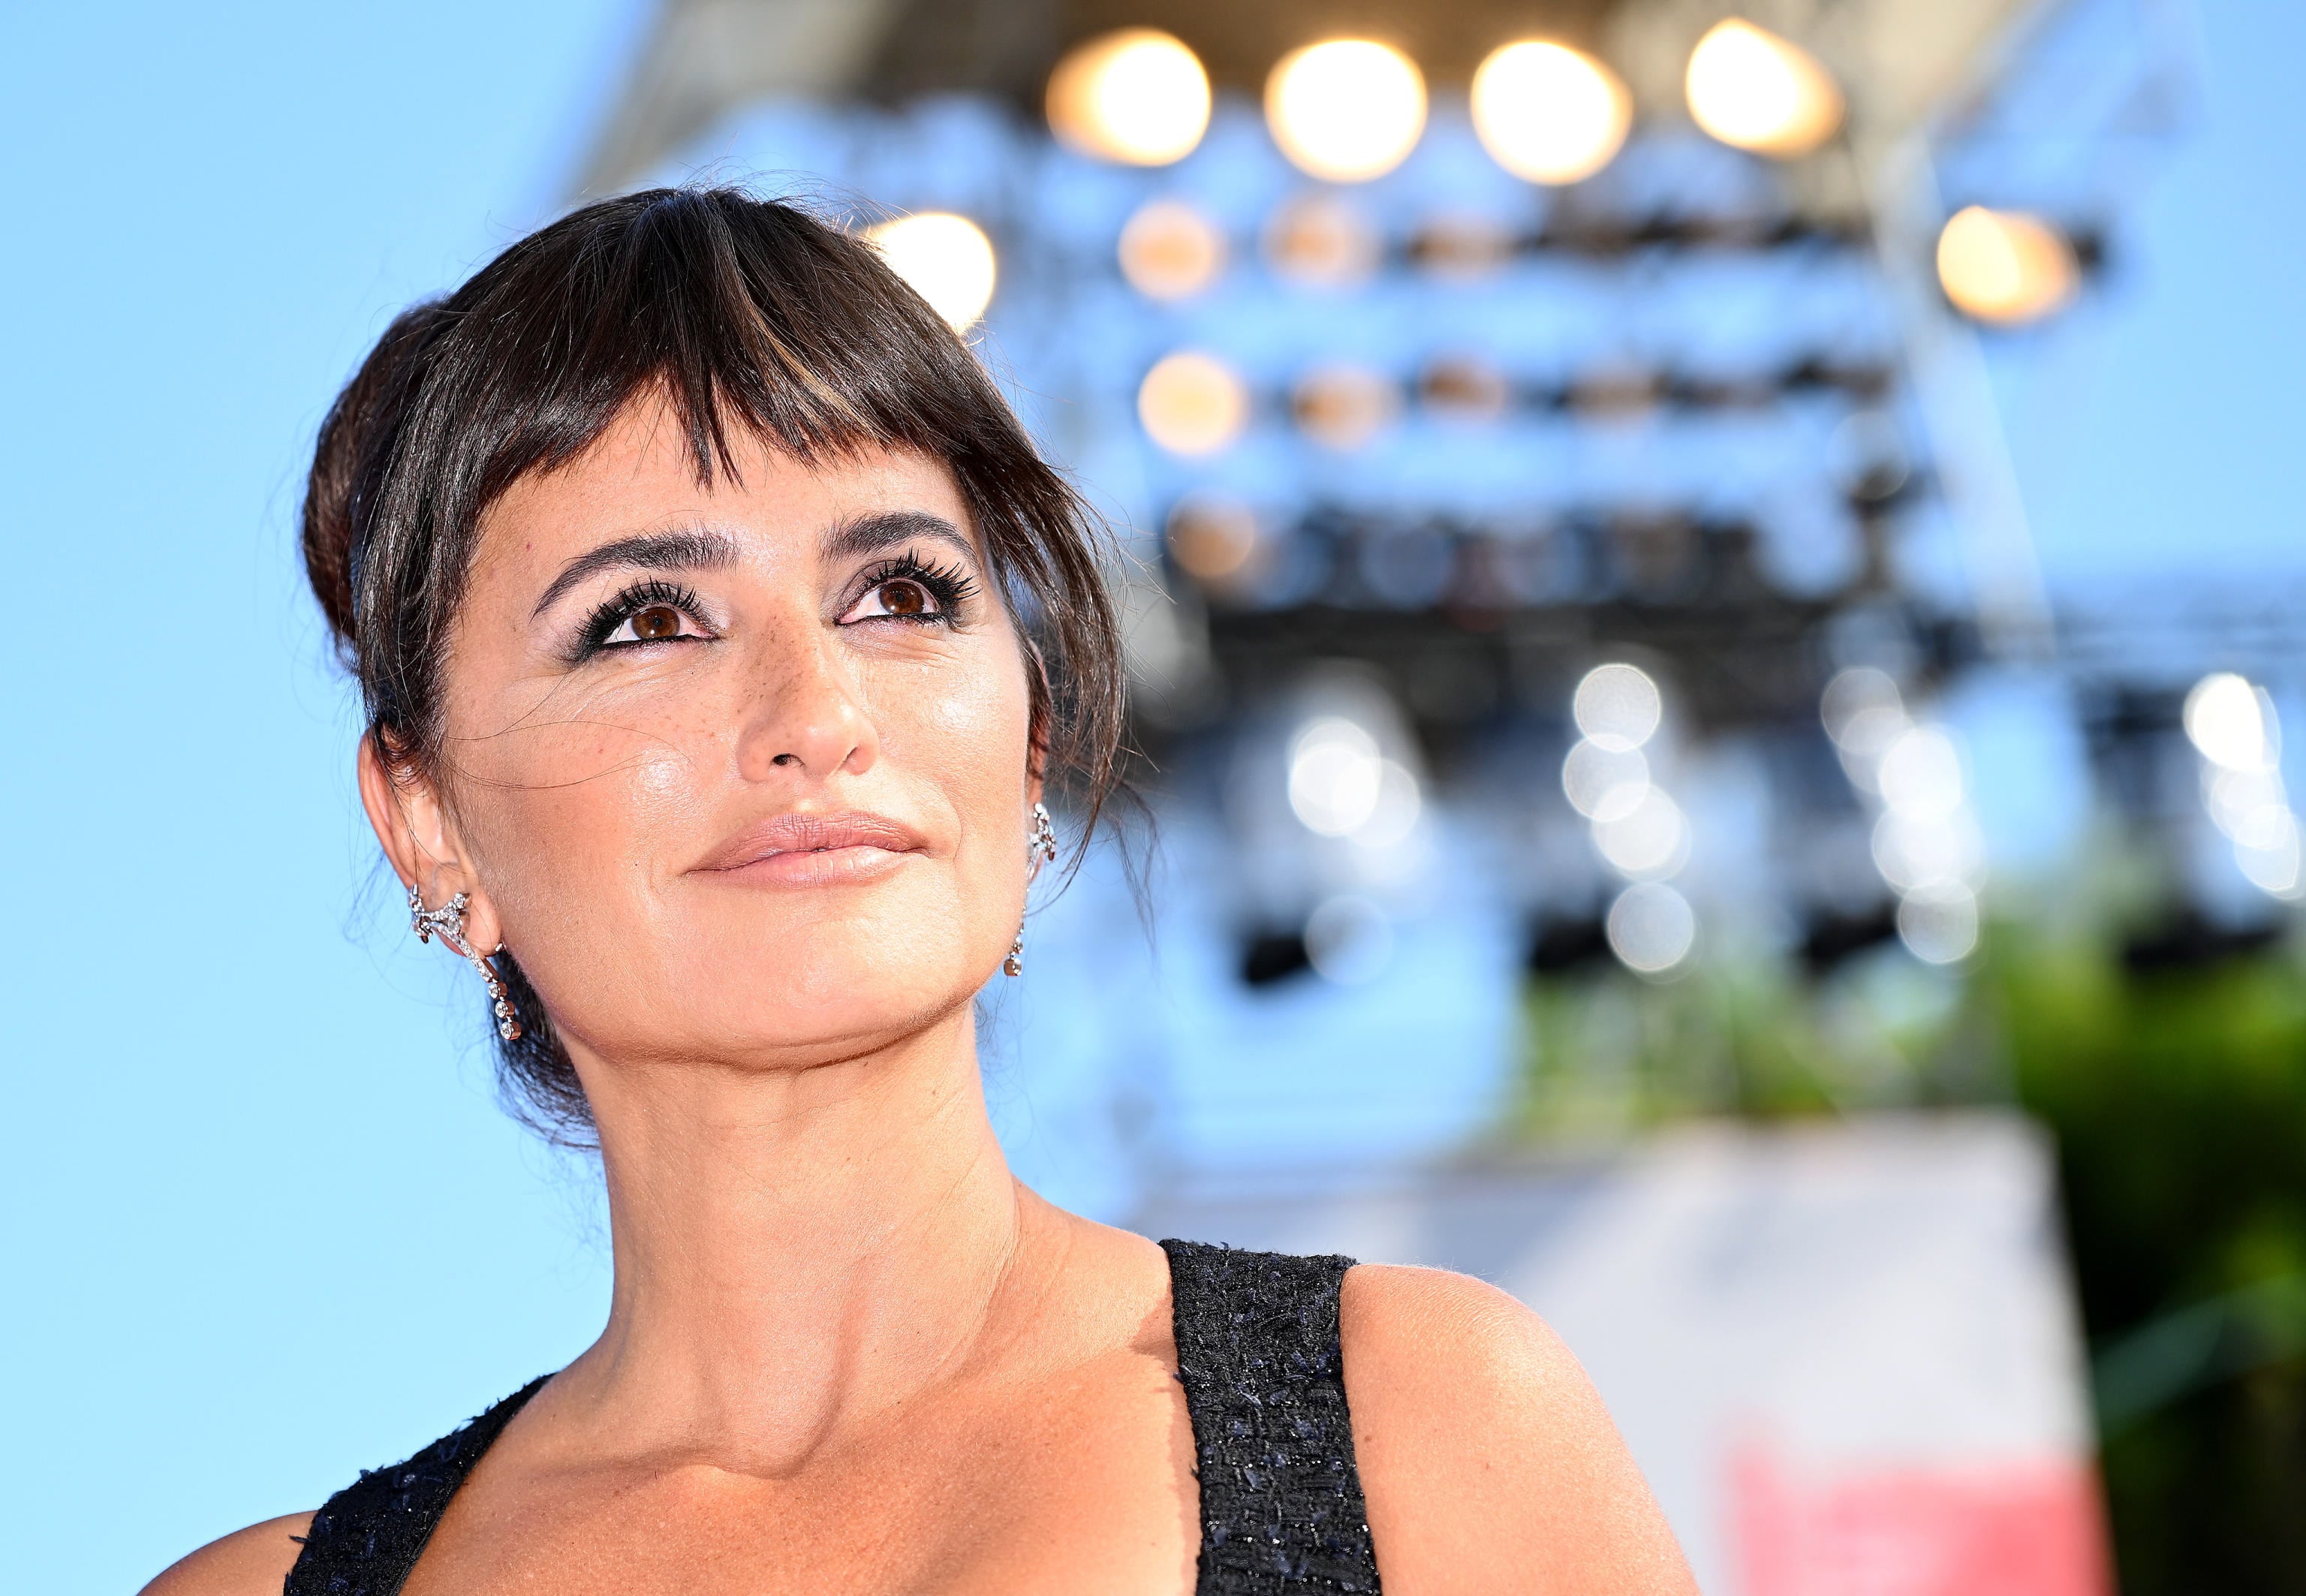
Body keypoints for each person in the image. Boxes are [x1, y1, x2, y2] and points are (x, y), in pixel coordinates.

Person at [146, 188, 1693, 1596]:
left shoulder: (1417, 1425)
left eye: (903, 593)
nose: (817, 709)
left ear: (1027, 745)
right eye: (644, 620)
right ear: (428, 827)